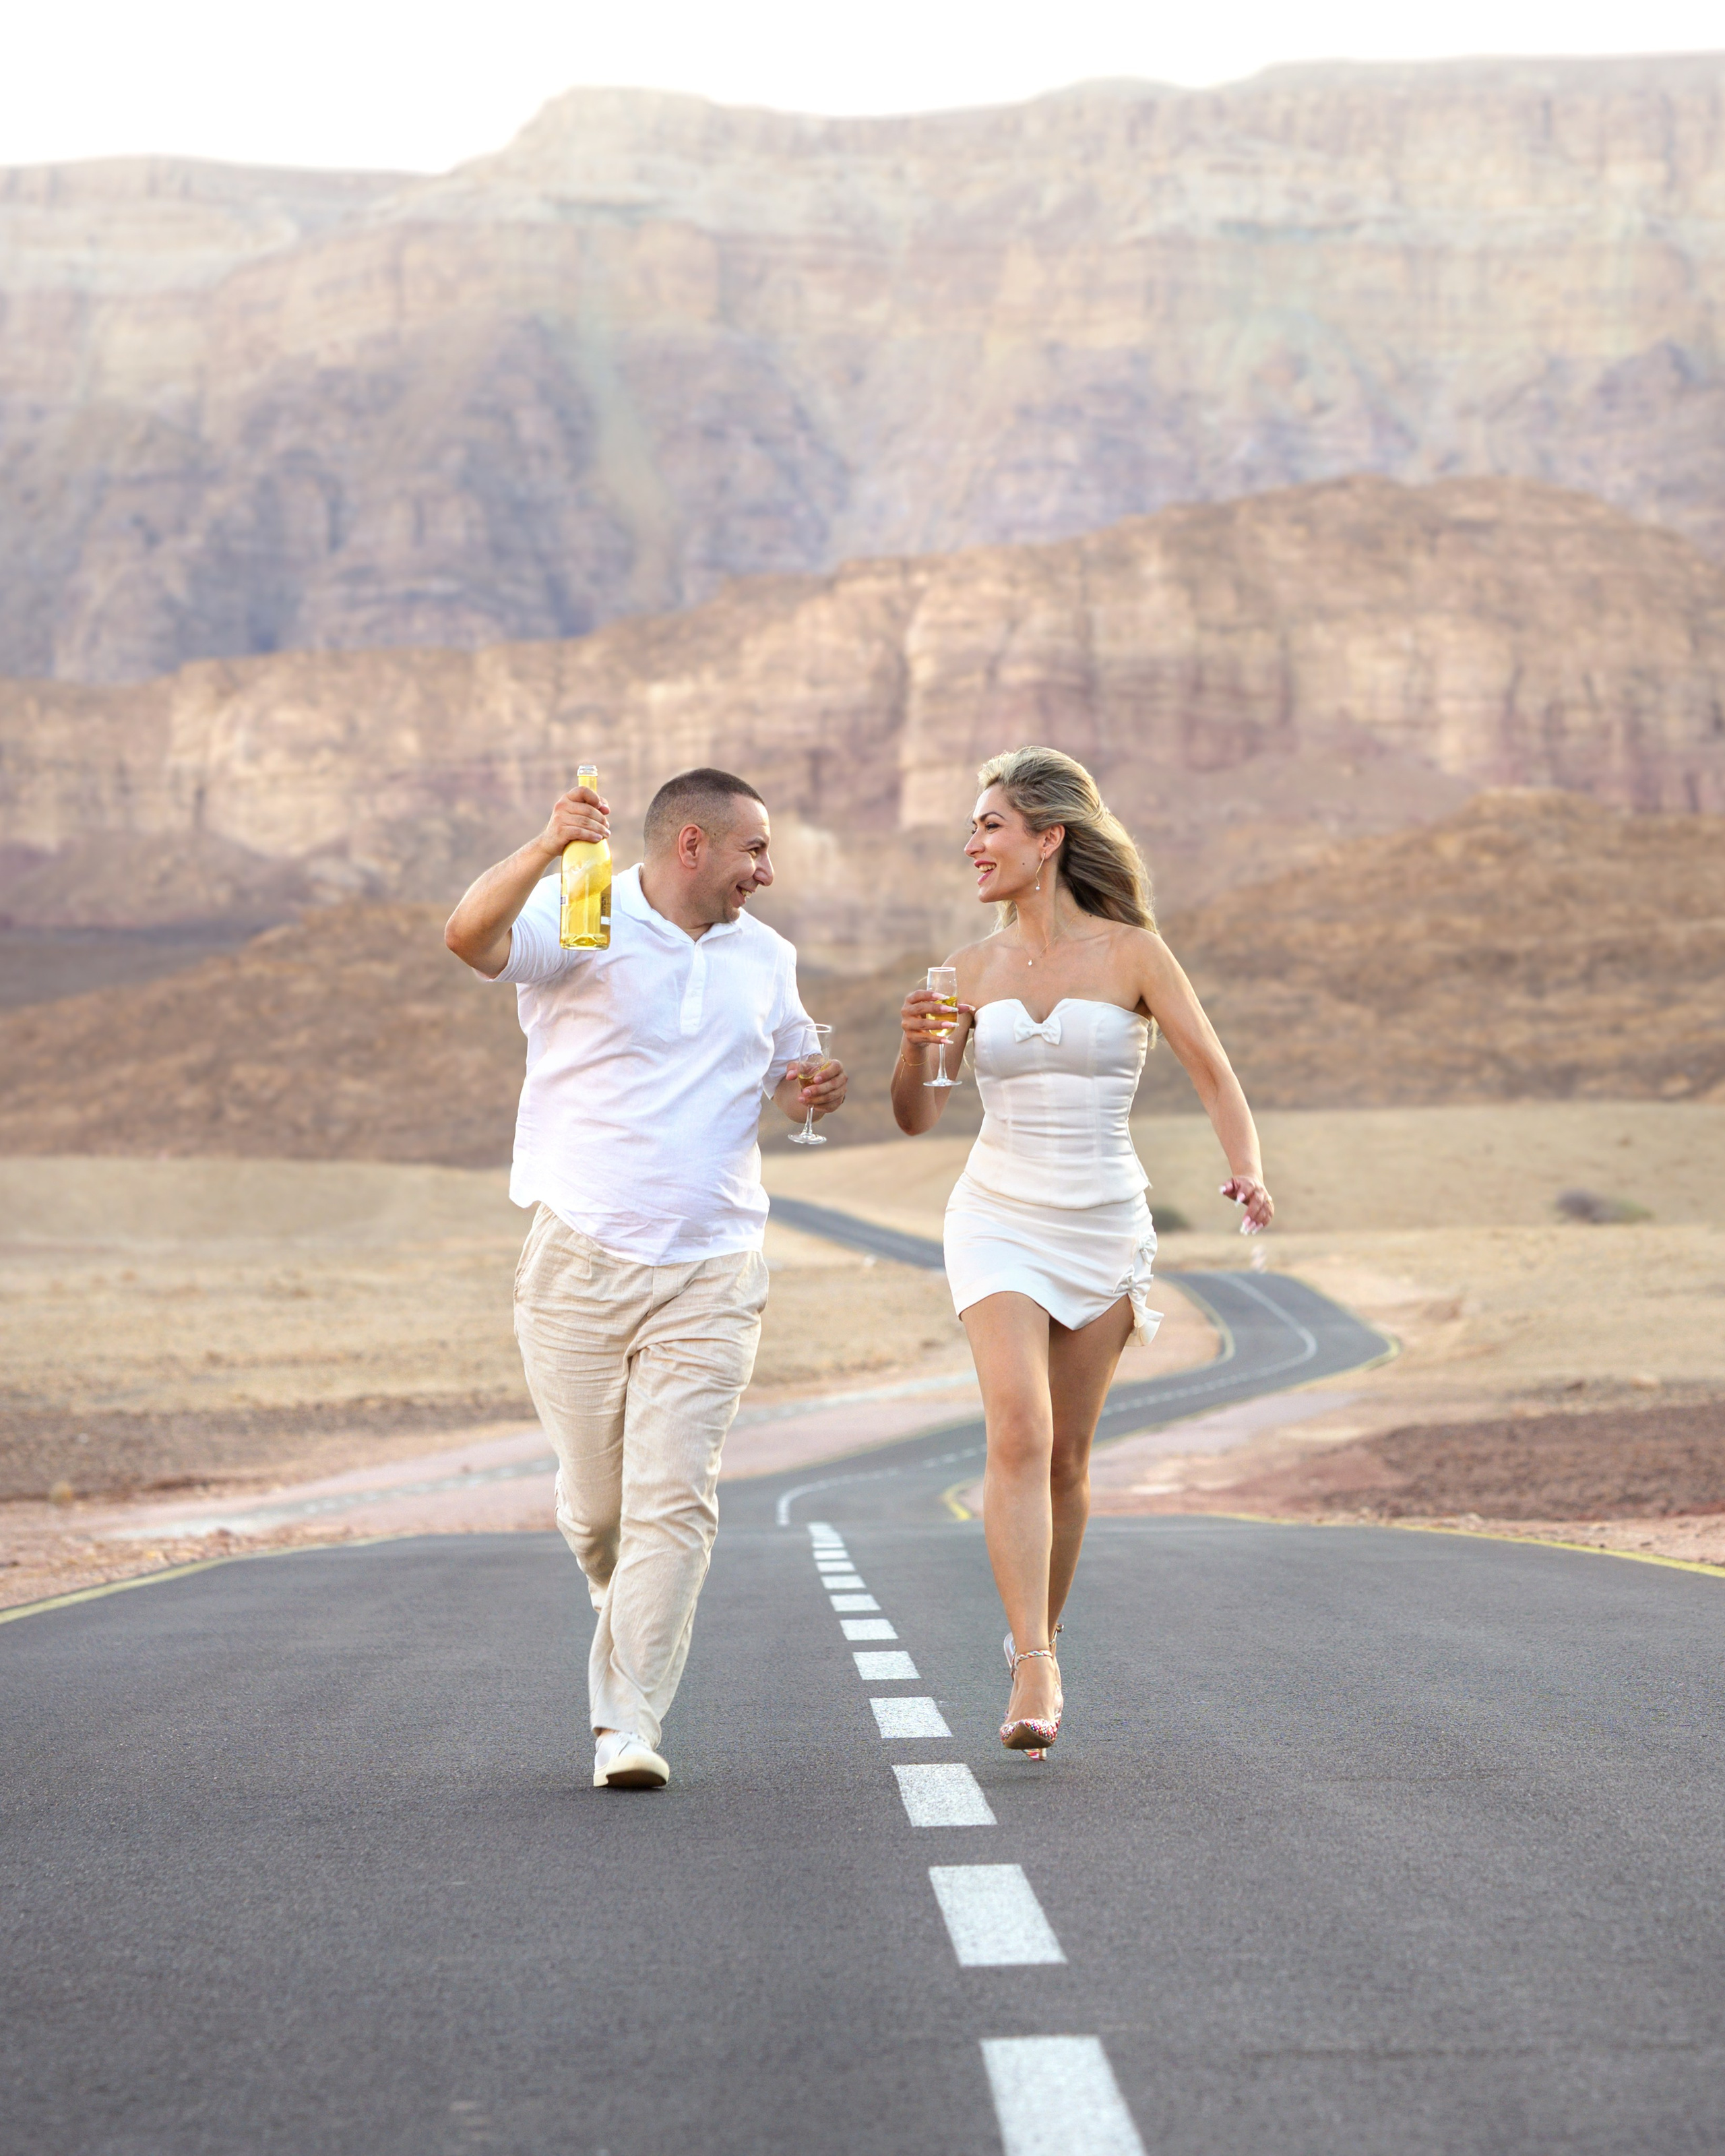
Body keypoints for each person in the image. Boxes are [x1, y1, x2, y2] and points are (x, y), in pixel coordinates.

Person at [445, 768, 844, 1790]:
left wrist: (809, 1085)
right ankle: (623, 1606)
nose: (769, 871)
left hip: (714, 1265)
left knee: (676, 1501)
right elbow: (468, 939)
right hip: (579, 1259)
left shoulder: (767, 958)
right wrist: (544, 845)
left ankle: (626, 1726)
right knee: (599, 1513)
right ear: (693, 846)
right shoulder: (584, 915)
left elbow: (784, 1071)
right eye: (754, 849)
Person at [891, 745, 1273, 1759]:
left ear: (1048, 837)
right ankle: (1032, 1664)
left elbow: (1214, 1070)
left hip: (1103, 1214)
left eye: (990, 826)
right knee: (1018, 1428)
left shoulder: (1136, 955)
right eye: (971, 828)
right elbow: (920, 1115)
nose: (973, 845)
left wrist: (1247, 1167)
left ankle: (1043, 1635)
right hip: (997, 1211)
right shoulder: (963, 972)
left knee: (1065, 1454)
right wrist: (912, 1047)